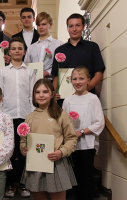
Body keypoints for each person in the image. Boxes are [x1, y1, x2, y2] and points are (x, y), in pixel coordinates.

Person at [20, 78, 77, 200]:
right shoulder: (29, 117)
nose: (41, 95)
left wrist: (61, 152)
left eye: (45, 92)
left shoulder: (61, 114)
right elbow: (24, 140)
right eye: (37, 92)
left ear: (52, 94)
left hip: (56, 163)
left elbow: (71, 138)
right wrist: (23, 149)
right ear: (34, 95)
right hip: (36, 165)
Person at [0, 37, 36, 197]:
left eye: (20, 48)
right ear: (9, 51)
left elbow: (33, 94)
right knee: (10, 152)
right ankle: (10, 185)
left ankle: (22, 184)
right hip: (8, 117)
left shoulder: (30, 71)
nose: (17, 51)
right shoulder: (3, 71)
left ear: (24, 51)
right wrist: (0, 116)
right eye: (14, 49)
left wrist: (33, 116)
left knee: (24, 152)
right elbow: (0, 95)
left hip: (26, 117)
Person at [62, 67, 105, 200]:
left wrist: (81, 132)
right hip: (72, 145)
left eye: (81, 78)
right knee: (74, 175)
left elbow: (99, 122)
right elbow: (63, 122)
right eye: (75, 79)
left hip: (87, 144)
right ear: (70, 81)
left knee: (86, 175)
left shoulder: (93, 99)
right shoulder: (67, 100)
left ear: (88, 80)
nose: (78, 81)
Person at [51, 13, 105, 100]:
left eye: (78, 25)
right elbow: (56, 76)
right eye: (71, 26)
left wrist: (84, 90)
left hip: (87, 97)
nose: (74, 29)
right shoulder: (59, 51)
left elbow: (99, 74)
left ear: (83, 27)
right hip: (65, 99)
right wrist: (56, 92)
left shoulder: (92, 47)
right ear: (67, 28)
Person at [24, 12, 63, 80]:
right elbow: (26, 66)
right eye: (38, 25)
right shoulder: (31, 47)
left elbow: (62, 66)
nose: (41, 27)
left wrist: (48, 72)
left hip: (51, 81)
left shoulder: (59, 44)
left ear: (50, 25)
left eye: (44, 24)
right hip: (34, 81)